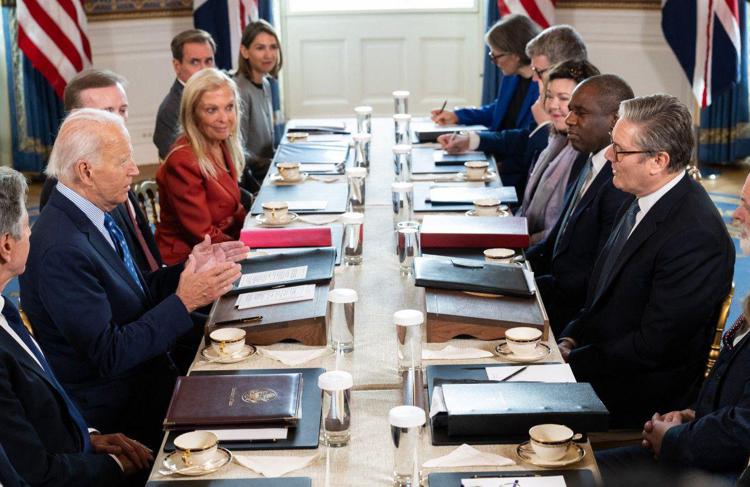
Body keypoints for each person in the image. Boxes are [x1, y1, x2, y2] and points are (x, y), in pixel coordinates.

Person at [19, 109, 245, 449]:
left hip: (152, 374)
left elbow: (136, 293)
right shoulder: (61, 247)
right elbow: (110, 355)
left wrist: (188, 269)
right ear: (86, 171)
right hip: (124, 412)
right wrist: (185, 300)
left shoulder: (100, 212)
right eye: (123, 160)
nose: (135, 170)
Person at [558, 94, 735, 428]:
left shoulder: (696, 236)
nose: (609, 155)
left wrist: (571, 363)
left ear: (658, 161)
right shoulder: (641, 195)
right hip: (601, 363)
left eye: (620, 150)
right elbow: (602, 298)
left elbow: (653, 346)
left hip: (635, 395)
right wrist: (570, 338)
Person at [0, 167, 152, 486]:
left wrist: (88, 438)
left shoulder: (5, 307)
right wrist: (113, 466)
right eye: (27, 226)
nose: (33, 233)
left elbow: (38, 409)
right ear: (6, 246)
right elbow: (33, 473)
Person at [596, 289, 750, 485]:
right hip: (698, 451)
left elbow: (742, 430)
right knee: (580, 471)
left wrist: (673, 439)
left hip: (721, 475)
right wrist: (690, 416)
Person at [527, 75, 634, 333]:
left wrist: (526, 289)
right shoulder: (588, 159)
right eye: (571, 110)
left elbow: (593, 278)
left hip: (571, 316)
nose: (569, 120)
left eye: (580, 112)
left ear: (614, 120)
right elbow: (553, 244)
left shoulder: (620, 182)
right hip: (550, 291)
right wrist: (515, 269)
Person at [39, 68, 163, 274]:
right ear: (75, 118)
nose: (119, 120)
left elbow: (139, 242)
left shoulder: (116, 165)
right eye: (107, 112)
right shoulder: (65, 184)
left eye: (122, 110)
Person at [431, 14, 540, 193]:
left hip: (514, 171)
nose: (494, 62)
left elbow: (526, 137)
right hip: (492, 154)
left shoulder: (542, 88)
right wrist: (458, 115)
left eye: (496, 55)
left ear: (515, 56)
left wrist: (475, 140)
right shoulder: (512, 77)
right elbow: (498, 110)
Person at [156, 68, 247, 265]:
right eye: (211, 110)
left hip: (224, 247)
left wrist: (259, 234)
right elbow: (203, 235)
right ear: (193, 115)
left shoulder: (220, 143)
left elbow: (234, 208)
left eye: (229, 107)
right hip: (188, 261)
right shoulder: (182, 161)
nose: (224, 118)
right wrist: (249, 248)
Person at [516, 59, 599, 244]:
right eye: (549, 96)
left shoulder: (586, 154)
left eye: (563, 98)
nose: (553, 105)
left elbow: (563, 232)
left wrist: (518, 242)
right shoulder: (555, 138)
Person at [153, 29, 216, 161]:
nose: (204, 69)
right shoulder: (170, 110)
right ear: (177, 66)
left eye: (208, 61)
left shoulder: (218, 96)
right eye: (195, 62)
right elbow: (179, 164)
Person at [234, 19, 282, 191]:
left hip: (268, 172)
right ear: (245, 52)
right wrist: (276, 164)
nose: (268, 55)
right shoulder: (239, 90)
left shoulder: (266, 83)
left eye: (273, 47)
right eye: (260, 48)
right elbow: (238, 151)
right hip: (252, 181)